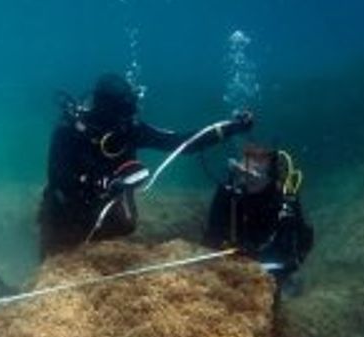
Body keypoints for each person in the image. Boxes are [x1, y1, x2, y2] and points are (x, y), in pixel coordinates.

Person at [38, 72, 254, 257]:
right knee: (56, 251)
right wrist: (99, 181)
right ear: (104, 108)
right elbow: (57, 176)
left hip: (106, 211)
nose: (127, 120)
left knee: (122, 227)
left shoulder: (131, 129)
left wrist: (230, 128)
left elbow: (182, 143)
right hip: (66, 210)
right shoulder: (69, 131)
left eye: (129, 113)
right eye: (122, 113)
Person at [203, 142, 313, 302]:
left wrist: (273, 274)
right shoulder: (228, 194)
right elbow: (211, 236)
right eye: (242, 173)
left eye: (253, 175)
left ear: (271, 176)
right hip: (231, 266)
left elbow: (301, 245)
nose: (246, 180)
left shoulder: (285, 201)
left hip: (270, 270)